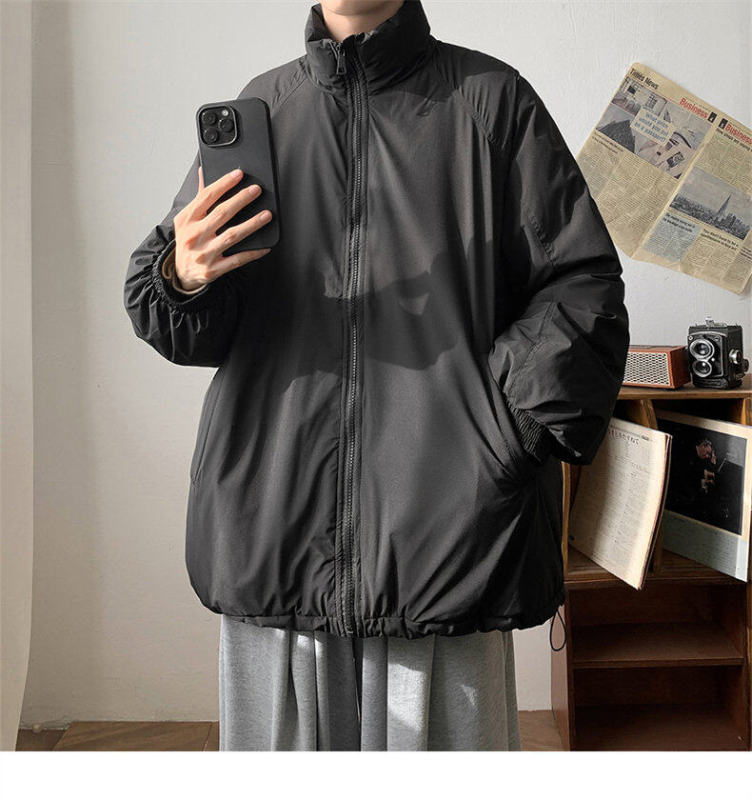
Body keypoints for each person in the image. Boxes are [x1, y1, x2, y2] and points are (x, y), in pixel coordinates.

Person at [123, 0, 630, 750]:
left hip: (449, 536)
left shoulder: (491, 101)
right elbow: (185, 323)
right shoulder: (264, 109)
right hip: (275, 527)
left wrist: (498, 439)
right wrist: (183, 273)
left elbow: (582, 287)